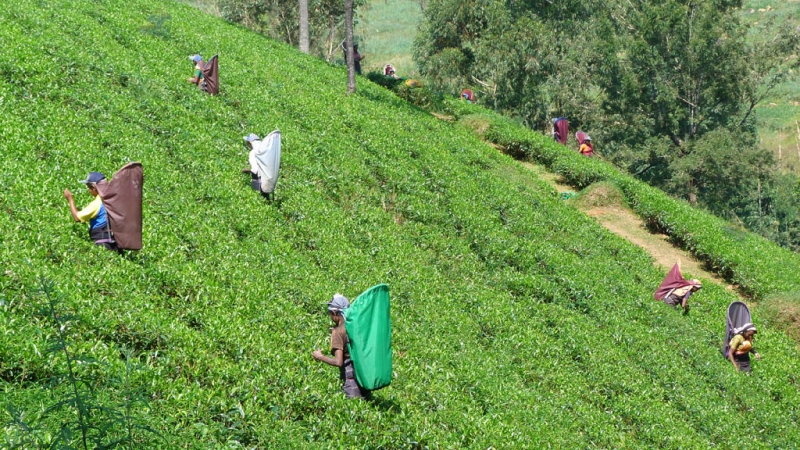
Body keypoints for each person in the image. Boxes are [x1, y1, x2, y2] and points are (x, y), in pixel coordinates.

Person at [311, 294, 371, 399]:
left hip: (351, 380)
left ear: (334, 313)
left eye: (329, 313)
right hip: (364, 376)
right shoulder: (357, 326)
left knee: (354, 409)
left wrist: (319, 356)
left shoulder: (338, 331)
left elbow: (338, 362)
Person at [64, 172, 118, 251]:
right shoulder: (113, 199)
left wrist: (70, 199)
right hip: (116, 245)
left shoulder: (97, 203)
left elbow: (77, 218)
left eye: (89, 188)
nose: (89, 191)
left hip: (103, 245)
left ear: (94, 188)